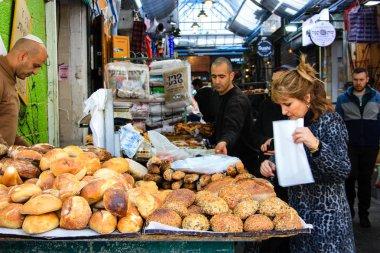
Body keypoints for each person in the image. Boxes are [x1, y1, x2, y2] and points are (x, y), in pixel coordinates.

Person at [260, 55, 355, 252]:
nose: (284, 111)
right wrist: (271, 163)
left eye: (288, 104)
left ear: (307, 98)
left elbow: (342, 171)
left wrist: (316, 145)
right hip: (299, 217)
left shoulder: (331, 121)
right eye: (280, 106)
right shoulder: (293, 122)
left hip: (329, 222)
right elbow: (288, 157)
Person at [336, 67, 380, 228]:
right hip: (350, 146)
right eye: (356, 79)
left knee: (365, 181)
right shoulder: (343, 99)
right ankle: (349, 213)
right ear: (352, 79)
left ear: (367, 79)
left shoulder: (377, 97)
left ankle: (364, 214)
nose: (358, 82)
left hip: (370, 145)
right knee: (349, 179)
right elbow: (339, 124)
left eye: (361, 79)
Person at [0, 34, 48, 152]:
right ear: (22, 56)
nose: (36, 72)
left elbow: (7, 128)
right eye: (35, 65)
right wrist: (7, 153)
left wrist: (31, 151)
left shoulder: (9, 77)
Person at [211, 57, 258, 172]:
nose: (217, 81)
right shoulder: (219, 95)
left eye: (221, 77)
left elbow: (233, 127)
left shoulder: (237, 100)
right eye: (214, 76)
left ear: (231, 76)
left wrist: (224, 141)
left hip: (243, 164)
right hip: (228, 159)